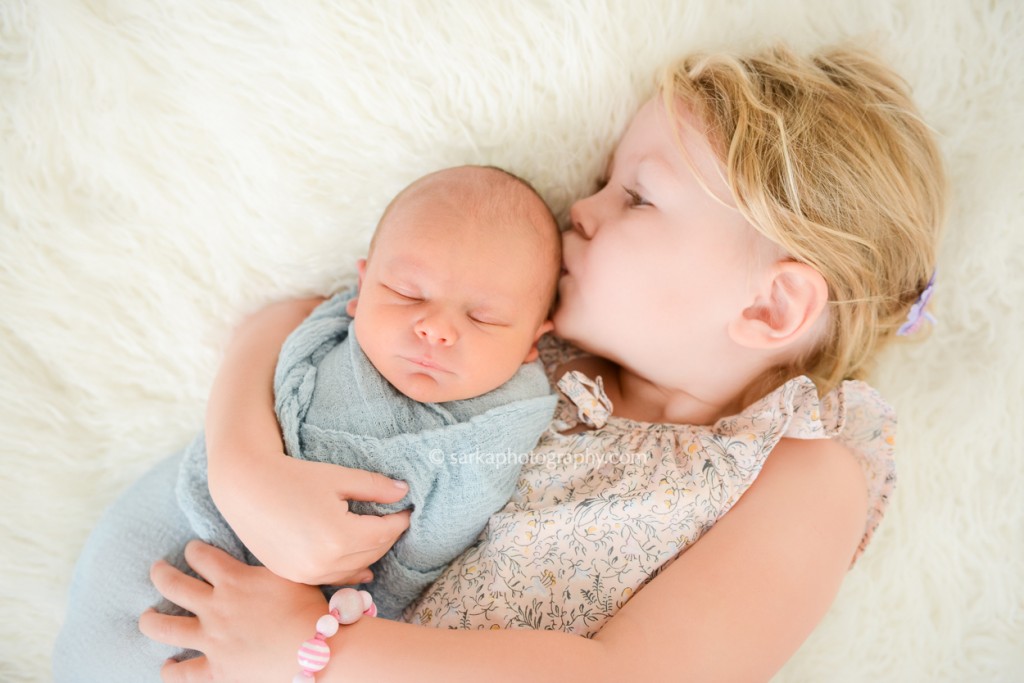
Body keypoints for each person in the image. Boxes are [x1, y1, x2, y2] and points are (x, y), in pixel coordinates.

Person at [119, 43, 947, 681]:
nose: (578, 212)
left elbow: (632, 676)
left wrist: (316, 650)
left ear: (769, 307)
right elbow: (305, 318)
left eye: (635, 196)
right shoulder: (530, 348)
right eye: (601, 182)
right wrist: (245, 470)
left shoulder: (803, 469)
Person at [52, 165, 563, 679]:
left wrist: (347, 618)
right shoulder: (335, 328)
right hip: (184, 518)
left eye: (484, 318)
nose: (435, 328)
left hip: (296, 614)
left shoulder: (495, 430)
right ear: (362, 288)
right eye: (408, 293)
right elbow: (285, 342)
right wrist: (245, 467)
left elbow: (418, 569)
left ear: (531, 343)